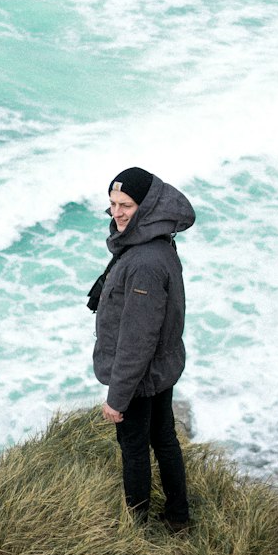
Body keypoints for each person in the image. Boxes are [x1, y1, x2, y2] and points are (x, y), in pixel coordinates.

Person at [88, 167, 195, 529]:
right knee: (163, 438)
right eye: (113, 203)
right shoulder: (154, 241)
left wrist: (117, 398)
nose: (116, 213)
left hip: (141, 377)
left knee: (135, 449)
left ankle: (137, 528)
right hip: (160, 369)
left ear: (147, 207)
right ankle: (178, 517)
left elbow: (137, 340)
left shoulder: (145, 263)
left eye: (126, 205)